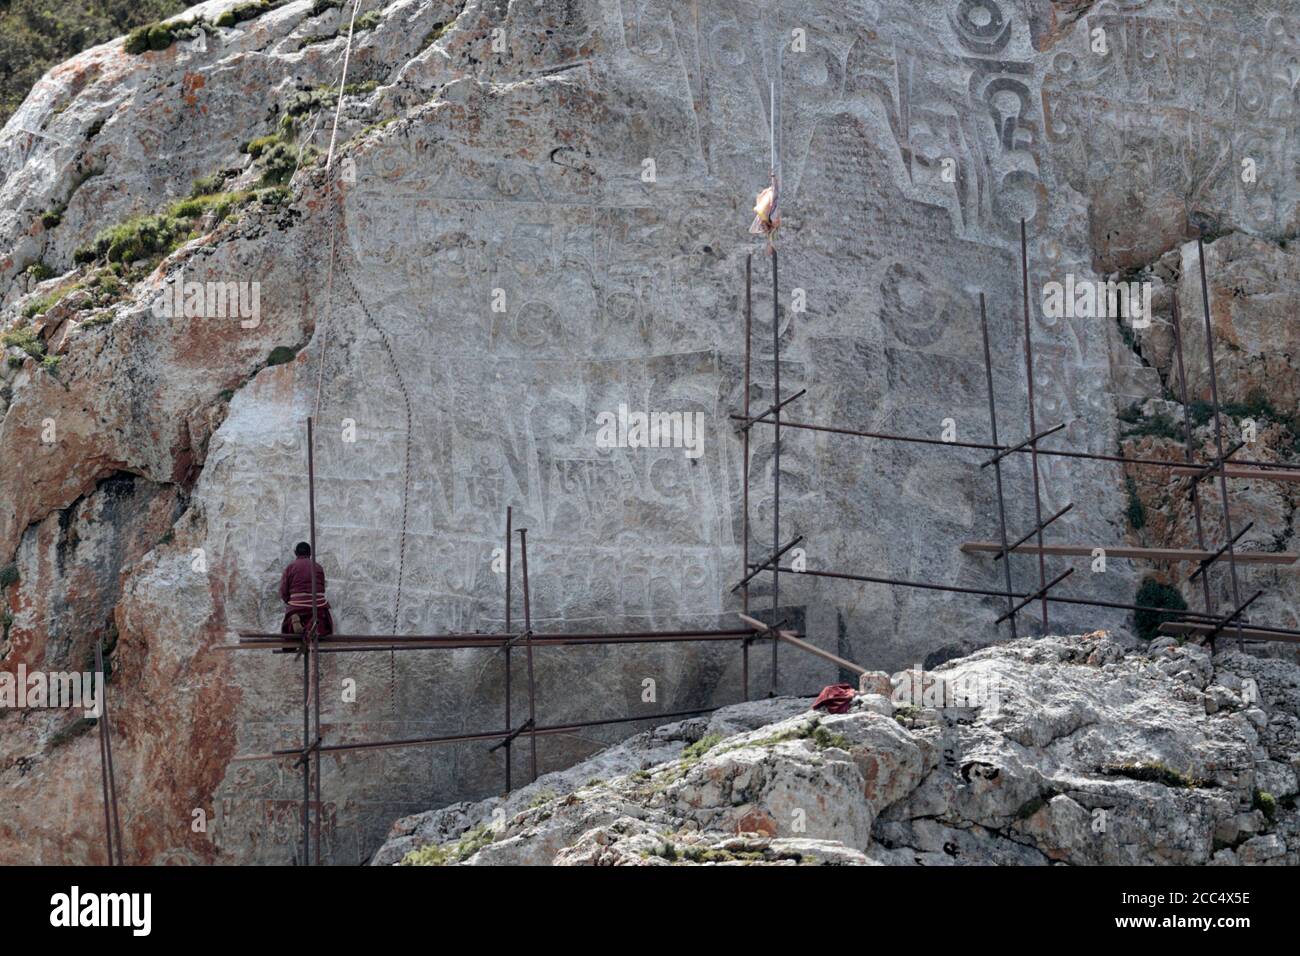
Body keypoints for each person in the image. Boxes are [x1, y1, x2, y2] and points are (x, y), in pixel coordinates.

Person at [279, 542, 333, 638]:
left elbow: (283, 591)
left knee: (291, 617)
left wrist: (289, 602)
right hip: (318, 605)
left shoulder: (290, 567)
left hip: (297, 605)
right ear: (310, 553)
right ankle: (311, 627)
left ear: (296, 553)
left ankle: (295, 622)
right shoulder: (318, 567)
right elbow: (322, 589)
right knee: (321, 622)